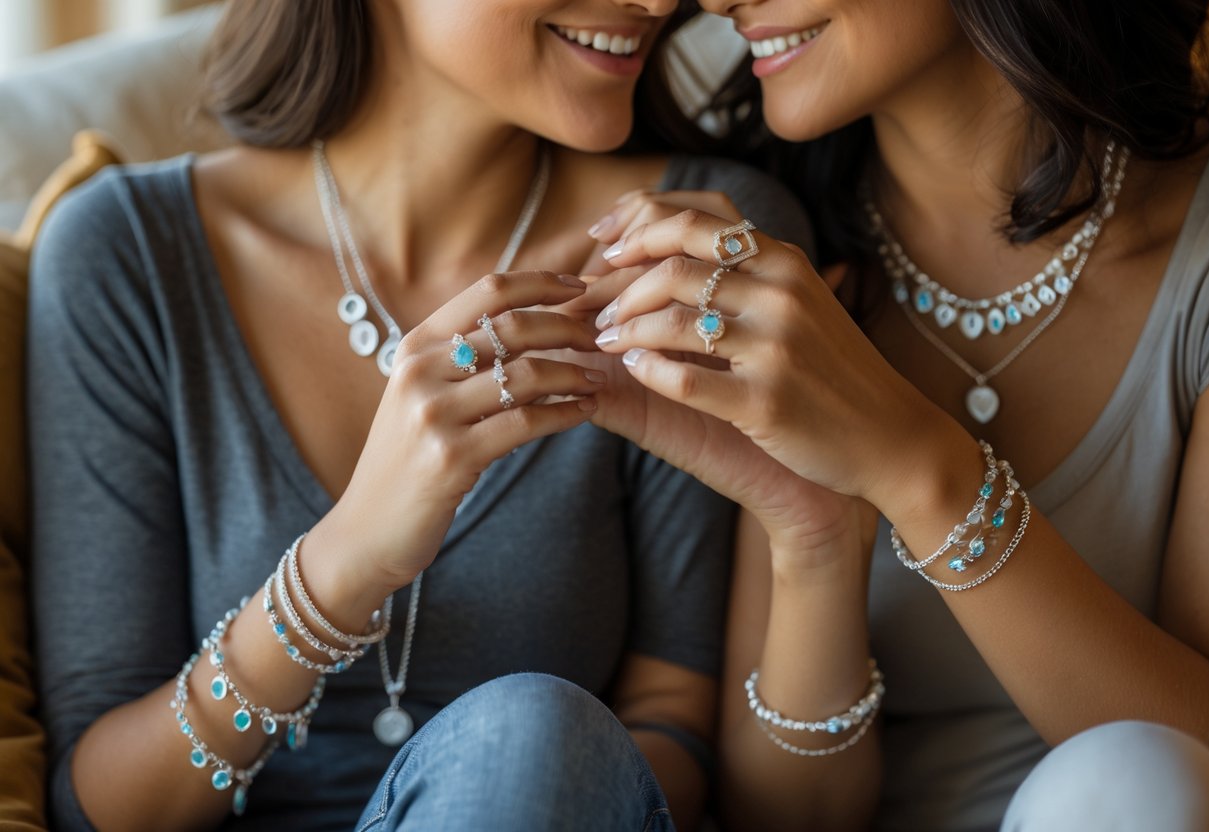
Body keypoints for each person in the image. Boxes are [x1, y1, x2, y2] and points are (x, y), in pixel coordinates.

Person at [26, 1, 815, 830]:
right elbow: (98, 809)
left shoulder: (686, 251)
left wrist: (524, 780)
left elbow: (672, 721)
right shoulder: (123, 256)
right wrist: (343, 568)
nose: (660, 0)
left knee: (531, 730)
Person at [585, 0, 1209, 829]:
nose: (716, 0)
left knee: (1131, 777)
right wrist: (814, 538)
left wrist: (917, 470)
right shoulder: (758, 249)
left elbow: (1187, 770)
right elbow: (783, 816)